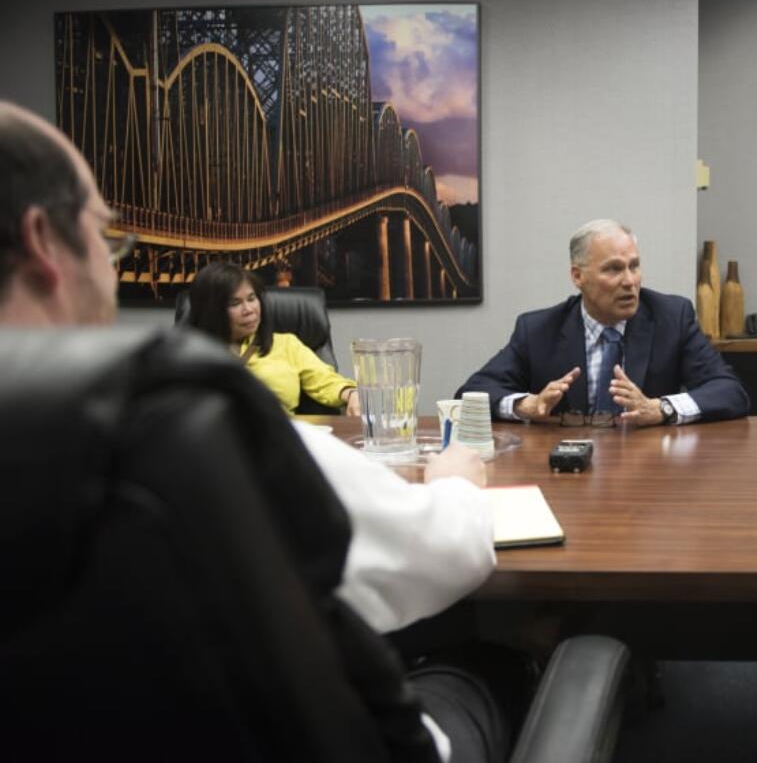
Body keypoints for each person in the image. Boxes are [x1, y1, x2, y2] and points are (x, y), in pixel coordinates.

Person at [0, 100, 505, 761]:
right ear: (44, 244)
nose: (112, 266)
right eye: (107, 238)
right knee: (484, 664)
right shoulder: (185, 427)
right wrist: (456, 482)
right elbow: (445, 553)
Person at [458, 219, 749, 425]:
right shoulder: (538, 329)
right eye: (613, 269)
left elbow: (730, 391)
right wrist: (525, 405)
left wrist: (661, 408)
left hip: (651, 474)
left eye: (634, 266)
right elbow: (471, 393)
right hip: (568, 477)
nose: (629, 281)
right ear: (578, 276)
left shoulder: (672, 317)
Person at [186, 260, 362, 416]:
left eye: (251, 298)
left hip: (279, 439)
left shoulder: (286, 344)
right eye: (235, 303)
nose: (248, 310)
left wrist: (351, 393)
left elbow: (325, 381)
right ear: (211, 310)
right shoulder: (188, 352)